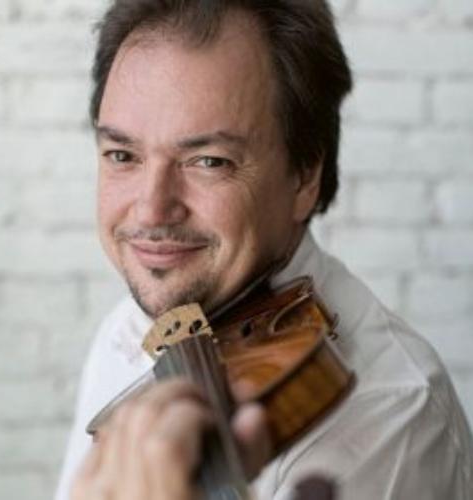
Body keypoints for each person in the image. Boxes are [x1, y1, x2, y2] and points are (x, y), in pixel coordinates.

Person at [55, 0, 473, 499]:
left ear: (305, 175)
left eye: (209, 161)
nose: (150, 211)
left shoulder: (391, 415)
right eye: (123, 155)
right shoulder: (128, 328)